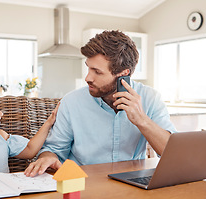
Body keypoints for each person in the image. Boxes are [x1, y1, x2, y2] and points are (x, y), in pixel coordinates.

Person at [24, 30, 176, 177]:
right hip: (83, 183)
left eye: (97, 72)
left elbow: (173, 154)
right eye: (88, 68)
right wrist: (47, 157)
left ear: (123, 74)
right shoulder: (71, 102)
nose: (88, 78)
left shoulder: (150, 98)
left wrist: (142, 121)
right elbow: (53, 149)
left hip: (131, 184)